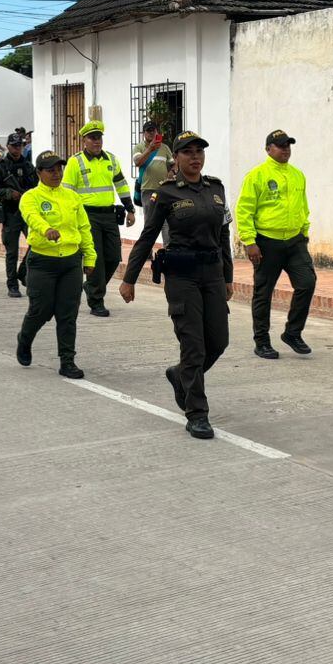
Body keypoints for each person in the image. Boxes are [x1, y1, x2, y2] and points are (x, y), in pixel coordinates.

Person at [119, 131, 234, 440]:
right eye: (188, 152)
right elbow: (148, 236)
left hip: (212, 274)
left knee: (219, 341)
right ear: (177, 158)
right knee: (193, 345)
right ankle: (197, 413)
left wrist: (227, 277)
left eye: (199, 152)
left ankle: (179, 374)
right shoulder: (166, 193)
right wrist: (129, 279)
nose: (195, 157)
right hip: (182, 277)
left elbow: (223, 236)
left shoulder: (216, 189)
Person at [236, 128, 316, 360]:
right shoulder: (257, 175)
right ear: (268, 149)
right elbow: (244, 210)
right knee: (263, 293)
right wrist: (250, 241)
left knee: (307, 283)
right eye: (281, 146)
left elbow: (303, 206)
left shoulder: (298, 175)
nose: (286, 150)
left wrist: (304, 232)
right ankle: (261, 341)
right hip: (266, 242)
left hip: (295, 242)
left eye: (288, 145)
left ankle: (293, 332)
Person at [16, 150, 94, 378]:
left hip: (70, 262)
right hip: (42, 262)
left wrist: (90, 257)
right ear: (39, 173)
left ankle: (67, 361)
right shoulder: (30, 197)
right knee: (41, 310)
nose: (56, 174)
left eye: (59, 169)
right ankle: (25, 339)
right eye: (50, 170)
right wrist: (46, 229)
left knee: (68, 313)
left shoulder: (72, 197)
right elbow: (32, 216)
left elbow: (84, 229)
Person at [65, 120, 134, 317]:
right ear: (84, 140)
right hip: (87, 216)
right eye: (92, 138)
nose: (97, 141)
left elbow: (121, 185)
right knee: (95, 258)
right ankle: (96, 301)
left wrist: (130, 209)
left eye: (99, 138)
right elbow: (67, 192)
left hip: (109, 215)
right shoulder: (75, 162)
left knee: (113, 257)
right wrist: (70, 217)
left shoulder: (111, 160)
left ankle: (92, 287)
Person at [0, 131, 36, 297]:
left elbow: (37, 186)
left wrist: (28, 194)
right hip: (11, 213)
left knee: (36, 244)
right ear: (8, 146)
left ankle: (23, 272)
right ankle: (12, 285)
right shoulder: (1, 166)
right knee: (12, 252)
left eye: (20, 145)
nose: (17, 148)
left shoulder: (28, 165)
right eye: (14, 146)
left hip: (28, 212)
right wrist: (8, 193)